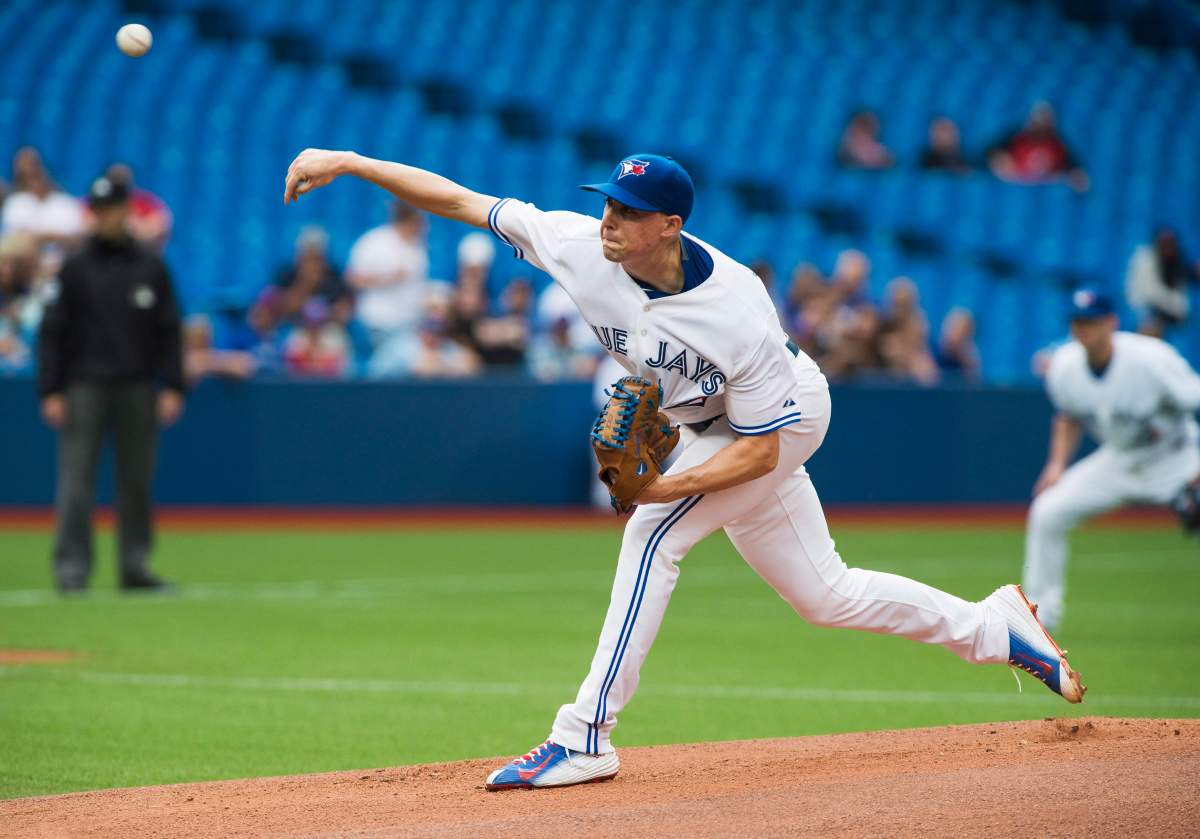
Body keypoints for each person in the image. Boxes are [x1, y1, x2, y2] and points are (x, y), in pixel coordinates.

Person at [284, 148, 1086, 792]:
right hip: (711, 426)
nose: (608, 220)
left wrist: (660, 487)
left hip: (784, 415)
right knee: (824, 592)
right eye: (607, 203)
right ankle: (993, 626)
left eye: (627, 212)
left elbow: (764, 448)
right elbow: (464, 201)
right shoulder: (577, 245)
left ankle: (584, 736)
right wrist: (353, 162)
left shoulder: (737, 305)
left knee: (651, 531)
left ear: (668, 226)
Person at [37, 175, 184, 593]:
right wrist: (51, 388)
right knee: (76, 481)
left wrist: (172, 384)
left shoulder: (150, 265)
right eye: (99, 210)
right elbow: (53, 330)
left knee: (136, 481)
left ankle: (134, 567)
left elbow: (169, 329)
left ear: (126, 210)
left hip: (136, 385)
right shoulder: (74, 267)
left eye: (113, 209)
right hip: (84, 385)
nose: (106, 217)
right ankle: (71, 570)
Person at [1022, 288, 1200, 631]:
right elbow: (1068, 416)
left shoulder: (1152, 360)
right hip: (1119, 460)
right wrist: (1056, 464)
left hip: (1176, 457)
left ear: (1111, 322)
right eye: (1076, 321)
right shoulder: (1065, 365)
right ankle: (1039, 624)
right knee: (1047, 511)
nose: (1082, 328)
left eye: (1090, 321)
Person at [346, 200, 430, 347]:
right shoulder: (375, 242)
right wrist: (388, 278)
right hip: (379, 323)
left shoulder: (417, 248)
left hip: (409, 324)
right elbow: (352, 278)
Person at [987, 102, 1089, 192]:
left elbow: (1074, 169)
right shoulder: (1016, 137)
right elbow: (991, 154)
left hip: (1046, 192)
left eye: (1045, 122)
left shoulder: (1058, 144)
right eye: (1037, 122)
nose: (1040, 126)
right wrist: (1000, 162)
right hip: (1016, 187)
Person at [1125, 227, 1199, 335]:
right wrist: (1176, 304)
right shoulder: (1145, 258)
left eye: (1170, 244)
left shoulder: (1177, 262)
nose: (1167, 248)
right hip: (1146, 311)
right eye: (1164, 243)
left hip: (1167, 317)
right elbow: (1149, 293)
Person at [103, 163, 173, 251]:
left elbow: (162, 227)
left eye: (122, 177)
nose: (119, 181)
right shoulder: (93, 202)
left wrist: (137, 227)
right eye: (115, 177)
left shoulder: (146, 202)